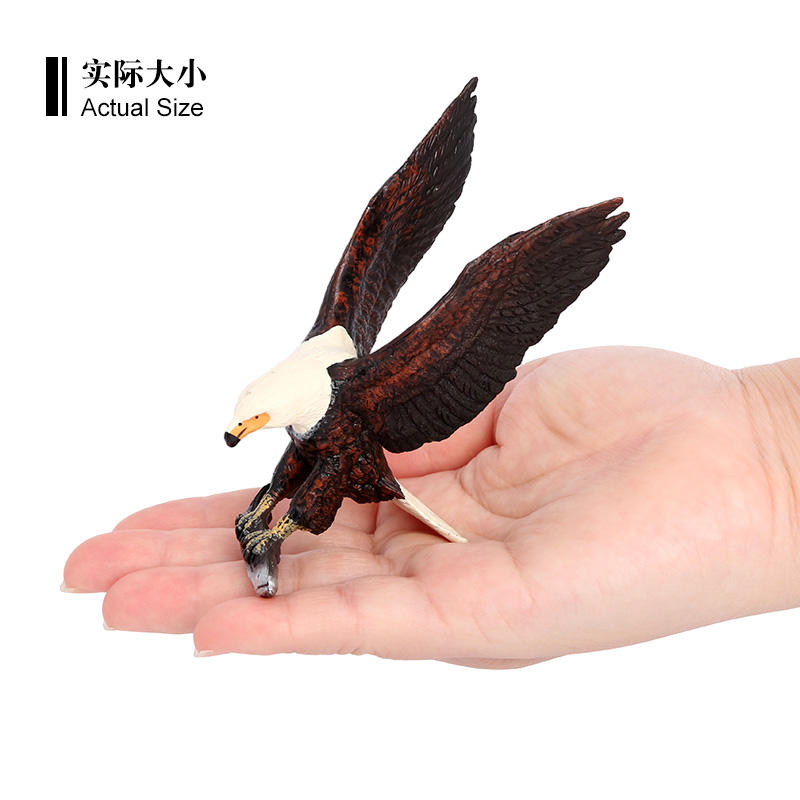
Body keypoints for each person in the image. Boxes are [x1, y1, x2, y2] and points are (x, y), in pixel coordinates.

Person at [62, 347, 800, 669]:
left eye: (249, 422)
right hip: (322, 451)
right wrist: (765, 429)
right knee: (293, 473)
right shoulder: (304, 396)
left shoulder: (345, 392)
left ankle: (276, 529)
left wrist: (769, 442)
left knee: (312, 493)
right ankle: (266, 525)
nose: (241, 431)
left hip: (355, 467)